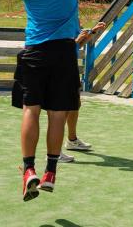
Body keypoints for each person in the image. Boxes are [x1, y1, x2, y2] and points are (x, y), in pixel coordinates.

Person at [13, 0, 89, 202]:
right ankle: (50, 171)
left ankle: (28, 170)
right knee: (57, 114)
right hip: (62, 52)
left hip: (33, 53)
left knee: (31, 110)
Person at [56, 24, 106, 164]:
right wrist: (77, 40)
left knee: (74, 104)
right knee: (62, 109)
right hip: (60, 67)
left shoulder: (71, 19)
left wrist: (91, 32)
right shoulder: (60, 21)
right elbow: (61, 49)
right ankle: (55, 152)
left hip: (70, 67)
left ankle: (72, 140)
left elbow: (77, 45)